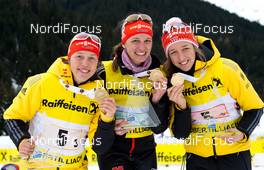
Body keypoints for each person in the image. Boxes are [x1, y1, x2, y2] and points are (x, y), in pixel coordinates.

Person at [162, 17, 264, 170]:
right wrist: (181, 106)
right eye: (173, 52)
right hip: (196, 158)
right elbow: (180, 134)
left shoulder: (226, 68)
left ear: (194, 45)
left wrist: (242, 131)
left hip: (234, 154)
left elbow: (255, 107)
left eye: (185, 48)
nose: (181, 58)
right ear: (168, 56)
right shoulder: (172, 80)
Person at [3, 32, 116, 169]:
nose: (85, 64)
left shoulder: (99, 95)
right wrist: (21, 140)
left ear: (97, 62)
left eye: (92, 58)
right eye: (79, 56)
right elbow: (12, 118)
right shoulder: (40, 82)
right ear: (69, 58)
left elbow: (100, 146)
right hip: (37, 166)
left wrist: (107, 120)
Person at [92, 13, 170, 170]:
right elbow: (89, 116)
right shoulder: (103, 72)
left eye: (147, 40)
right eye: (135, 40)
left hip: (146, 151)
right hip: (113, 151)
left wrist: (157, 99)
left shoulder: (159, 74)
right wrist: (109, 127)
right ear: (124, 43)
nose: (142, 47)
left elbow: (159, 128)